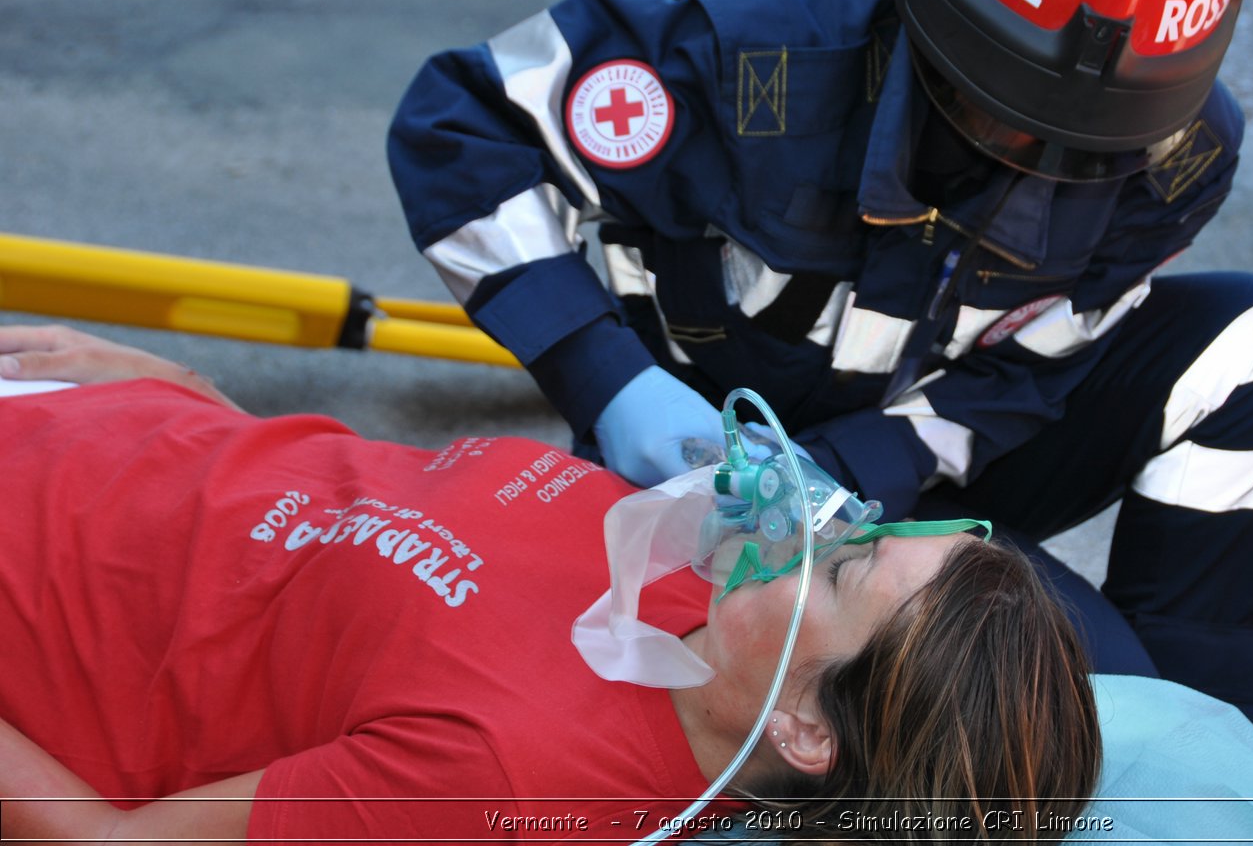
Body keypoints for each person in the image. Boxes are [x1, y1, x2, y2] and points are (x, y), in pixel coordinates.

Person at [387, 0, 1253, 721]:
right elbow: (465, 124)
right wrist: (609, 381)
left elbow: (1050, 348)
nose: (1041, 164)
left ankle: (1206, 749)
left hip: (924, 475)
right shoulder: (758, 58)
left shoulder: (1178, 150)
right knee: (1062, 716)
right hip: (711, 503)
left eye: (1092, 144)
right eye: (999, 111)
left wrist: (864, 468)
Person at [0, 324, 1100, 844]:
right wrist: (198, 406)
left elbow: (106, 845)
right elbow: (353, 541)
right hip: (96, 419)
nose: (817, 520)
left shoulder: (503, 782)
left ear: (810, 730)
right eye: (868, 522)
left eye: (847, 561)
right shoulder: (683, 603)